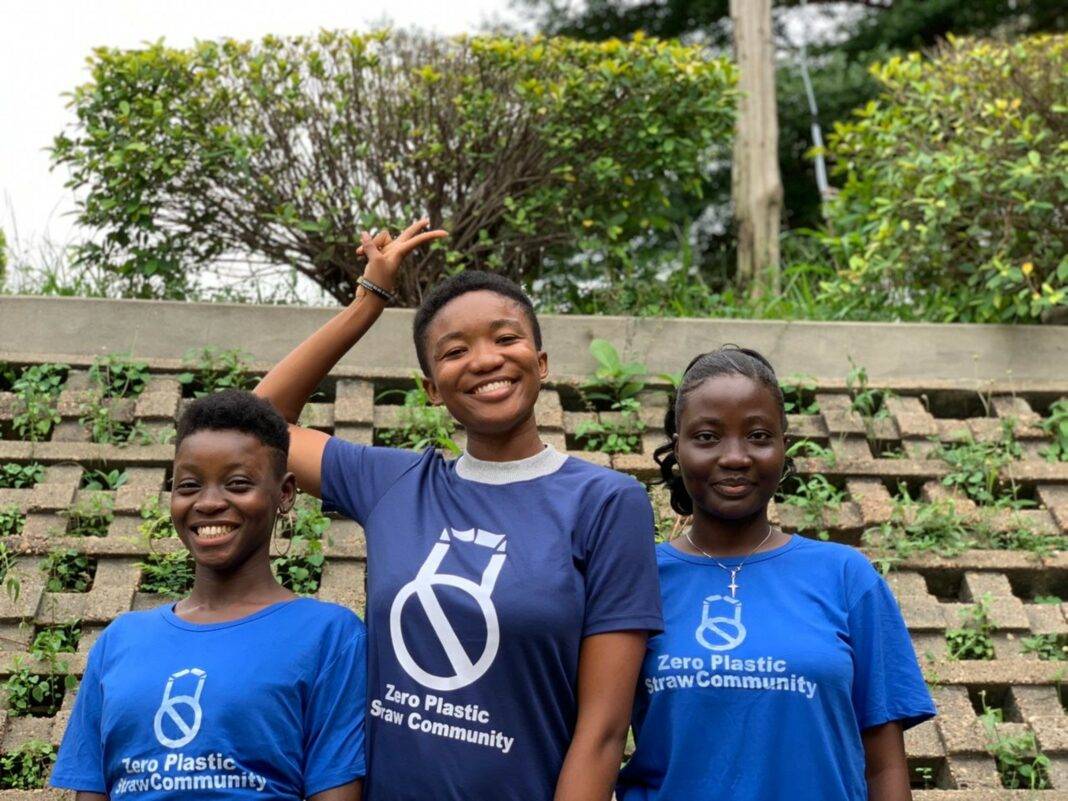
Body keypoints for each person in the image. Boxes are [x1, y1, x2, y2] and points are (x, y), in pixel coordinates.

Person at [254, 219, 663, 801]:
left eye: (506, 339)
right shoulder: (395, 482)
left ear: (540, 363)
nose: (485, 360)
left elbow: (601, 734)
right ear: (432, 388)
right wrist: (368, 302)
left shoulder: (604, 502)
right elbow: (256, 424)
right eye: (455, 351)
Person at [617, 347, 935, 801]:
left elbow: (884, 768)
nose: (735, 457)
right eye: (707, 436)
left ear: (783, 445)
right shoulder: (637, 580)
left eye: (758, 435)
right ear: (677, 447)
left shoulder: (847, 578)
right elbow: (598, 739)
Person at [51, 390, 367, 800]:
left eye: (237, 484)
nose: (209, 502)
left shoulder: (330, 636)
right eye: (189, 485)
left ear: (285, 493)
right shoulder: (119, 641)